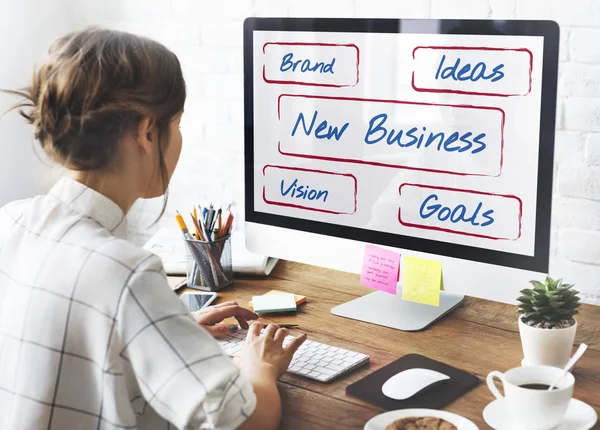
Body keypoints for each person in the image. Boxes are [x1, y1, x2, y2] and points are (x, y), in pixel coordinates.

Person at [0, 27, 306, 430]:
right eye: (176, 124)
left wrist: (164, 329)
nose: (178, 139)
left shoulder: (11, 221)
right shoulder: (126, 272)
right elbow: (246, 421)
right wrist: (259, 366)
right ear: (146, 132)